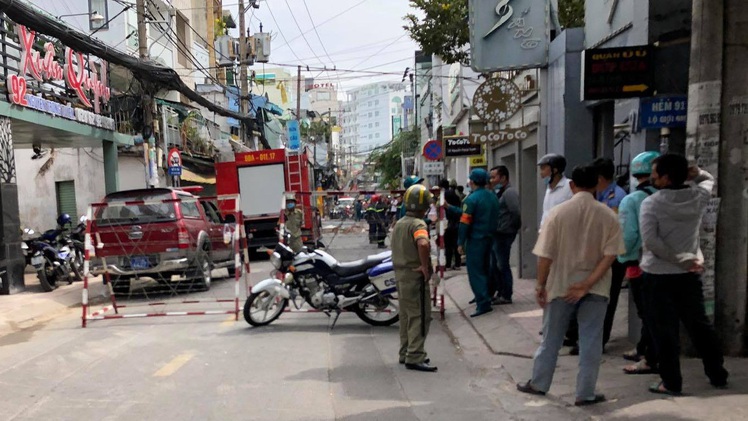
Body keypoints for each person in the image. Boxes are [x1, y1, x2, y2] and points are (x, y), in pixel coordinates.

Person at [516, 164, 624, 407]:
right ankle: (585, 393)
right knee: (591, 342)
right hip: (596, 288)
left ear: (572, 185)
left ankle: (539, 383)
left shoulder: (557, 213)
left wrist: (540, 285)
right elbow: (611, 255)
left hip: (560, 286)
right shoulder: (608, 215)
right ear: (597, 184)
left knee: (551, 339)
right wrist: (587, 284)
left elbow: (545, 255)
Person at [639, 153, 728, 395]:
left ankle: (671, 381)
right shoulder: (698, 196)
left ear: (666, 178)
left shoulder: (652, 203)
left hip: (658, 275)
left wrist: (679, 260)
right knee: (699, 326)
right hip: (688, 276)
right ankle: (717, 373)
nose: (652, 179)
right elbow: (708, 178)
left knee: (664, 331)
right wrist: (695, 172)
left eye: (656, 176)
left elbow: (651, 242)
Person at [617, 151, 660, 375]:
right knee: (655, 310)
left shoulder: (632, 200)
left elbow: (629, 235)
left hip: (637, 262)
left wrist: (622, 259)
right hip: (665, 263)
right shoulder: (666, 197)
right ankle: (643, 347)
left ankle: (650, 356)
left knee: (646, 311)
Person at [391, 184, 437, 372]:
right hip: (415, 276)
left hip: (401, 275)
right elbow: (423, 243)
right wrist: (424, 266)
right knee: (420, 316)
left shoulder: (400, 223)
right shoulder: (418, 224)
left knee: (406, 316)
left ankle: (405, 352)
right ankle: (415, 355)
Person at [458, 169, 500, 318]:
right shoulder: (492, 196)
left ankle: (483, 303)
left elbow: (465, 223)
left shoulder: (471, 199)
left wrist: (460, 242)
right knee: (487, 269)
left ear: (472, 181)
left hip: (476, 239)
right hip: (490, 237)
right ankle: (484, 295)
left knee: (476, 272)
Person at [489, 165, 521, 305]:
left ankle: (507, 294)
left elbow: (515, 212)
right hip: (498, 233)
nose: (492, 180)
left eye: (494, 177)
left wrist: (511, 228)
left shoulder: (509, 193)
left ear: (503, 178)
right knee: (496, 265)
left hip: (504, 233)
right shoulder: (499, 192)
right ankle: (500, 292)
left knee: (503, 264)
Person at [538, 153, 572, 229]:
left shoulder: (569, 186)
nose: (541, 173)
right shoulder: (548, 190)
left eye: (543, 168)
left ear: (555, 170)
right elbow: (546, 213)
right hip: (547, 233)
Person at [440, 178, 462, 270]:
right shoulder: (456, 194)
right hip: (457, 221)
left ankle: (448, 264)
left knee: (448, 245)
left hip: (448, 222)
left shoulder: (443, 195)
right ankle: (457, 264)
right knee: (456, 243)